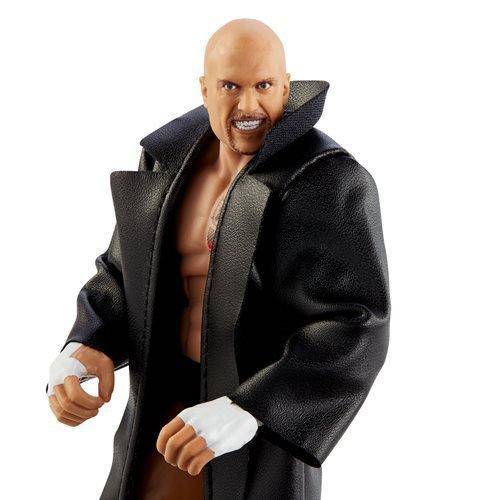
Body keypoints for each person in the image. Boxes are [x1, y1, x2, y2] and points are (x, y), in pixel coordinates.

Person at [47, 18, 390, 500]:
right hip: (159, 413)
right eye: (231, 86)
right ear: (205, 89)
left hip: (252, 431)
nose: (249, 105)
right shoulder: (167, 161)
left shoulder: (327, 181)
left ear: (286, 86)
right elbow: (125, 275)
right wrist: (87, 344)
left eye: (263, 85)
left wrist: (253, 408)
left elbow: (356, 322)